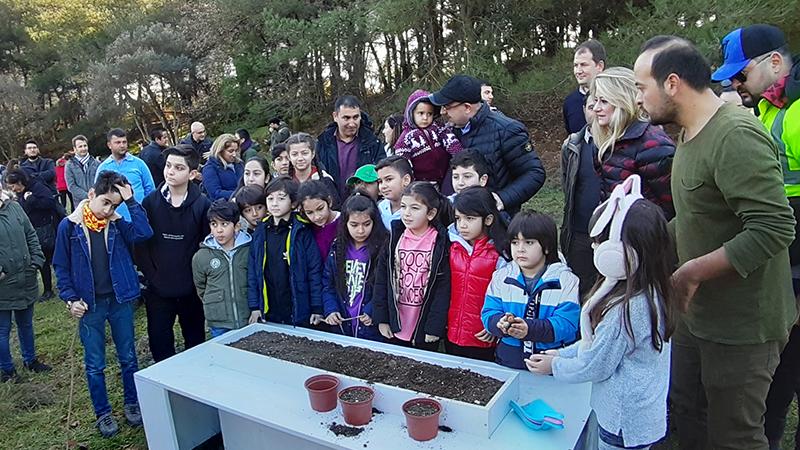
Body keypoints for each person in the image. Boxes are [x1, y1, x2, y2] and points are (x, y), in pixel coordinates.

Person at [634, 36, 796, 449]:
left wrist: (690, 272)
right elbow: (696, 218)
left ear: (672, 83)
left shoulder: (734, 134)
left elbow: (774, 227)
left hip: (743, 326)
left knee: (734, 436)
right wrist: (637, 245)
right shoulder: (688, 133)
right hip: (697, 317)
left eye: (641, 87)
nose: (637, 99)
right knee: (687, 415)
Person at [527, 179, 675, 450]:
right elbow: (598, 345)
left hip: (622, 423)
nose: (595, 249)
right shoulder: (651, 289)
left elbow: (597, 363)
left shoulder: (626, 311)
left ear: (622, 253)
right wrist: (561, 353)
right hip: (638, 415)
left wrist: (554, 366)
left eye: (600, 243)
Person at [712, 24, 800, 450]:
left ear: (776, 62)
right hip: (783, 264)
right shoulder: (766, 110)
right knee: (777, 384)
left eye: (741, 75)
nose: (734, 84)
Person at [52, 171, 151, 437]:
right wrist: (71, 298)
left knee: (128, 356)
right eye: (106, 202)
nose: (109, 210)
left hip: (119, 300)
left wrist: (130, 204)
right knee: (95, 363)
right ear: (92, 194)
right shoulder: (69, 226)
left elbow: (144, 233)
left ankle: (132, 403)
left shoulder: (118, 223)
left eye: (114, 205)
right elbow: (61, 266)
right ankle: (103, 412)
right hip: (90, 304)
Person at [136, 145, 211, 363]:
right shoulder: (150, 202)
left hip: (190, 290)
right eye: (168, 165)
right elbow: (141, 244)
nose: (170, 171)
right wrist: (152, 276)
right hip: (158, 289)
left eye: (179, 168)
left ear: (192, 173)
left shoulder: (202, 205)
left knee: (195, 341)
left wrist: (196, 281)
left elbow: (205, 246)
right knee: (160, 343)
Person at [429, 75, 545, 214]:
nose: (443, 112)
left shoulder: (507, 130)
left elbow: (534, 173)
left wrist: (501, 199)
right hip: (455, 221)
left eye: (447, 107)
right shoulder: (447, 132)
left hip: (493, 224)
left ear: (467, 107)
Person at [481, 211, 580, 370]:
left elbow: (567, 324)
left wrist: (529, 329)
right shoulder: (501, 277)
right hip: (509, 360)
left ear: (546, 247)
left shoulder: (566, 281)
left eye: (529, 243)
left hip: (548, 362)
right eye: (515, 242)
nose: (520, 249)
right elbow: (488, 313)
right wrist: (500, 323)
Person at [373, 181, 452, 351]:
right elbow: (381, 281)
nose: (407, 213)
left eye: (415, 208)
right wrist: (382, 318)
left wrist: (434, 326)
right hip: (396, 321)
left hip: (423, 325)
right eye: (403, 207)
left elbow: (443, 288)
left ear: (430, 213)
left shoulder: (440, 242)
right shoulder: (394, 238)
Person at [591, 67, 675, 219]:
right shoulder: (612, 142)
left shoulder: (654, 145)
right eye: (596, 100)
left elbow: (671, 210)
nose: (596, 108)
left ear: (623, 101)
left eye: (603, 101)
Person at [247, 176, 323, 326]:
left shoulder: (302, 231)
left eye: (281, 199)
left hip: (298, 307)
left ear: (293, 202)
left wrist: (317, 307)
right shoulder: (261, 231)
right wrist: (255, 306)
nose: (274, 204)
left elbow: (314, 271)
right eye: (270, 199)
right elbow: (253, 271)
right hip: (270, 307)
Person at [447, 187, 507, 361]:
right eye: (458, 218)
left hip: (482, 334)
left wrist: (494, 324)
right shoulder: (452, 246)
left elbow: (505, 295)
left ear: (488, 219)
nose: (462, 225)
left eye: (470, 218)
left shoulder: (500, 254)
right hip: (452, 330)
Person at [0, 188, 49, 383]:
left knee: (26, 323)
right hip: (3, 284)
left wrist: (36, 260)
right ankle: (7, 371)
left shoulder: (14, 208)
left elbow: (30, 234)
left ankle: (31, 360)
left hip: (25, 277)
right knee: (2, 330)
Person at [322, 193, 387, 340]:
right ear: (345, 223)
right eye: (354, 225)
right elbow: (328, 284)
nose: (360, 231)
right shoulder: (337, 248)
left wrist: (373, 310)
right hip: (342, 325)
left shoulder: (382, 248)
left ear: (374, 223)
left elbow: (387, 286)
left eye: (366, 224)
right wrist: (331, 309)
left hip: (370, 329)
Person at [192, 200, 252, 338]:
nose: (219, 230)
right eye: (214, 225)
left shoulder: (249, 250)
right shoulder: (202, 256)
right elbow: (201, 287)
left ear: (236, 226)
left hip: (246, 318)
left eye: (224, 224)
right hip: (219, 321)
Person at [561, 94, 602, 298]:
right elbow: (568, 186)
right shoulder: (572, 145)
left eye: (601, 104)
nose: (595, 110)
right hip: (579, 232)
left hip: (611, 235)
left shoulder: (621, 144)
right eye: (590, 106)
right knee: (581, 289)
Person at [4, 169, 65, 302]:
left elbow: (49, 202)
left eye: (13, 186)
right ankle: (48, 289)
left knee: (56, 259)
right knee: (42, 261)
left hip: (47, 228)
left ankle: (64, 285)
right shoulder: (20, 194)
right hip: (34, 230)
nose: (13, 189)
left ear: (20, 182)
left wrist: (31, 199)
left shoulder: (37, 187)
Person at [315, 95, 385, 199]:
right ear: (335, 116)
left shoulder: (373, 143)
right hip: (332, 205)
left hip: (365, 205)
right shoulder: (323, 144)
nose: (352, 123)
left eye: (355, 117)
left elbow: (381, 174)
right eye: (346, 118)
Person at [394, 89, 463, 186]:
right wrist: (410, 183)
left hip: (447, 176)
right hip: (422, 183)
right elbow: (403, 164)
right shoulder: (406, 138)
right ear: (411, 113)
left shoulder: (438, 128)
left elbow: (452, 142)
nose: (425, 118)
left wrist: (460, 158)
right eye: (421, 113)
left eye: (429, 114)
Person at [96, 128, 156, 221]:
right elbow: (98, 195)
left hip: (138, 218)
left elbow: (150, 189)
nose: (122, 145)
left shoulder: (139, 164)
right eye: (118, 142)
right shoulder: (103, 168)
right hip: (113, 220)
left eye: (124, 142)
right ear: (109, 145)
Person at [564, 39, 606, 135]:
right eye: (575, 65)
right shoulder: (570, 102)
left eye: (583, 65)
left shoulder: (616, 98)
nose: (578, 71)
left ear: (599, 66)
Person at [285, 133, 338, 199]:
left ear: (313, 154)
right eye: (294, 154)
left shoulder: (324, 179)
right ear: (289, 157)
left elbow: (335, 206)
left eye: (304, 153)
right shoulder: (285, 182)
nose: (300, 158)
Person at [298, 180, 341, 260]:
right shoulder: (306, 228)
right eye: (310, 212)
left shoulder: (344, 222)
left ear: (329, 201)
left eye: (320, 209)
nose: (317, 217)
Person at [202, 134, 244, 201]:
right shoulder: (209, 168)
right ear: (220, 151)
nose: (234, 154)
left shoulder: (239, 164)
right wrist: (239, 195)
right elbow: (215, 193)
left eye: (236, 150)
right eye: (230, 151)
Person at [375, 156, 413, 230]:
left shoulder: (416, 210)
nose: (383, 186)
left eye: (389, 179)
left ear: (406, 180)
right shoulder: (380, 207)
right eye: (380, 181)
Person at [66, 135, 101, 205]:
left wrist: (95, 194)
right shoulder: (69, 165)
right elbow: (71, 186)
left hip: (97, 201)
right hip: (80, 204)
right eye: (80, 146)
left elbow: (100, 181)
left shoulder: (96, 163)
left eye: (85, 146)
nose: (83, 148)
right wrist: (87, 196)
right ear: (75, 149)